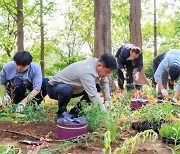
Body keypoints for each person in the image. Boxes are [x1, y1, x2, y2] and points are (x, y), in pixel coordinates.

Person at [46, 53, 117, 118]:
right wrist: (104, 113)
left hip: (73, 89)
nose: (107, 75)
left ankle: (75, 112)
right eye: (107, 72)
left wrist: (107, 100)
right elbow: (93, 95)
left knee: (97, 87)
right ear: (99, 65)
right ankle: (61, 113)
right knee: (66, 90)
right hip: (54, 88)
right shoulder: (87, 71)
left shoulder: (97, 65)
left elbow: (104, 83)